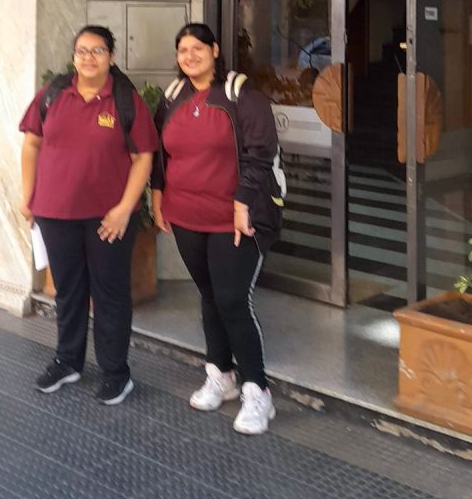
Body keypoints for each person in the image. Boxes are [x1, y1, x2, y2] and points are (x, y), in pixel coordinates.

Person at [151, 22, 283, 435]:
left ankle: (257, 391)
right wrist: (157, 199)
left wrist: (242, 203)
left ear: (215, 50)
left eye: (198, 48)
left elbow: (261, 153)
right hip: (186, 215)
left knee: (232, 300)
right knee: (209, 295)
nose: (189, 56)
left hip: (236, 218)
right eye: (182, 50)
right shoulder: (173, 96)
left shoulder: (241, 94)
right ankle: (220, 374)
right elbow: (158, 154)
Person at [19, 25, 158, 405]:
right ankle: (68, 361)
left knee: (110, 294)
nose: (88, 58)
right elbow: (31, 144)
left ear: (111, 57)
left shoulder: (125, 100)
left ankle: (116, 373)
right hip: (55, 213)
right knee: (68, 291)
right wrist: (28, 195)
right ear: (73, 57)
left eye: (97, 51)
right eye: (82, 51)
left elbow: (143, 158)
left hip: (107, 219)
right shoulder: (53, 94)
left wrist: (124, 209)